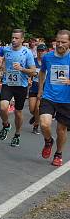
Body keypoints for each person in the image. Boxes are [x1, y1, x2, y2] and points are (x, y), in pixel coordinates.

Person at [0, 29, 37, 147]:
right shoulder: (6, 49)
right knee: (3, 107)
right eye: (12, 38)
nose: (13, 40)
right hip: (8, 83)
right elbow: (4, 61)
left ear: (22, 39)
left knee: (18, 112)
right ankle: (6, 125)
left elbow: (33, 72)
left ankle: (17, 134)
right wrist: (2, 70)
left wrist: (21, 69)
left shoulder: (27, 53)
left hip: (21, 85)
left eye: (16, 38)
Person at [36, 30, 70, 167]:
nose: (60, 44)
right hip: (49, 96)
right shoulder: (47, 57)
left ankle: (58, 154)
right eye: (58, 41)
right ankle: (48, 141)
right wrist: (40, 89)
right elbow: (42, 71)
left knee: (61, 130)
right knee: (44, 124)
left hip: (66, 99)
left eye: (64, 42)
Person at [28, 43, 49, 133]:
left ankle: (36, 125)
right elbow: (29, 72)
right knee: (32, 109)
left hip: (44, 87)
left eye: (42, 51)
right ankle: (36, 116)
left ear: (46, 51)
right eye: (39, 51)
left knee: (37, 108)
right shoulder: (33, 61)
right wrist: (29, 79)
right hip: (34, 86)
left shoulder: (48, 62)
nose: (41, 53)